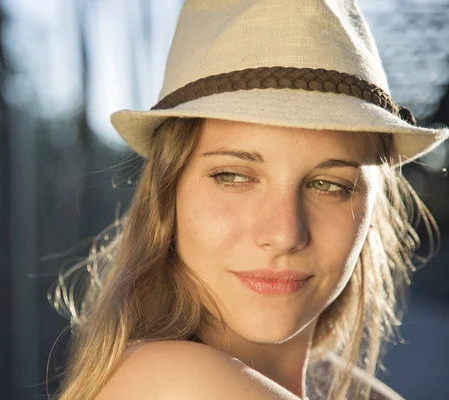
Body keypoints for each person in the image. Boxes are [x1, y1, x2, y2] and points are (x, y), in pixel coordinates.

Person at [49, 0, 448, 399]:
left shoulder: (351, 391)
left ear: (371, 208)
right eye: (234, 176)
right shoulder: (172, 381)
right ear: (167, 194)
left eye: (329, 184)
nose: (285, 233)